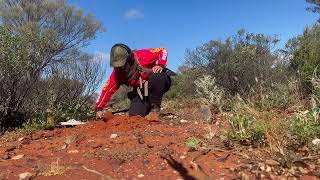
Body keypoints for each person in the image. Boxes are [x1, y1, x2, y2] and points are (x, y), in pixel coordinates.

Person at [95, 43, 173, 120]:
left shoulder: (142, 56)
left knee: (156, 75)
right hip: (142, 92)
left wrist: (160, 64)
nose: (120, 67)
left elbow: (163, 51)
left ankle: (155, 109)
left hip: (158, 82)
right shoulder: (117, 72)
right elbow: (107, 89)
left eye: (122, 63)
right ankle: (148, 106)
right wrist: (99, 108)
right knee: (135, 115)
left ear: (129, 58)